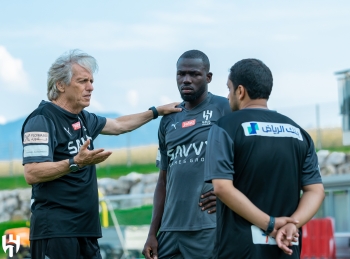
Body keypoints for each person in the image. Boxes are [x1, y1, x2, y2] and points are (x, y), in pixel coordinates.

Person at [21, 49, 181, 259]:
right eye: (83, 81)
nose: (91, 87)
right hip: (56, 231)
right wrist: (75, 162)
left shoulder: (83, 118)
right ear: (60, 84)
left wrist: (156, 112)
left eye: (91, 81)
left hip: (86, 229)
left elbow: (119, 124)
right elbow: (32, 173)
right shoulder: (42, 120)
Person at [204, 58, 325, 258]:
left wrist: (270, 224)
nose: (227, 96)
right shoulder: (298, 132)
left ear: (240, 91)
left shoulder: (225, 127)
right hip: (286, 248)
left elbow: (222, 187)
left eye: (229, 89)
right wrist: (292, 225)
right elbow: (315, 190)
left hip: (240, 250)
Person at [142, 50, 231, 259]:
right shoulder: (168, 119)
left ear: (208, 77)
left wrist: (228, 195)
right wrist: (152, 233)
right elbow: (163, 181)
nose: (186, 80)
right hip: (170, 231)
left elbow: (248, 160)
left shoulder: (224, 109)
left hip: (207, 228)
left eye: (194, 74)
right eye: (181, 74)